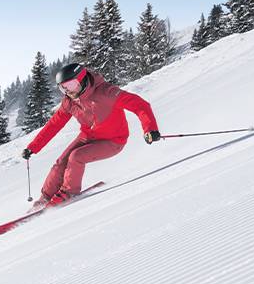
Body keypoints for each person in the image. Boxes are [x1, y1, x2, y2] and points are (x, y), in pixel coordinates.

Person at [21, 63, 161, 206]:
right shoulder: (70, 102)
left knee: (76, 157)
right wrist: (33, 147)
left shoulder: (106, 93)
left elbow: (139, 105)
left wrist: (150, 129)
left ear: (82, 80)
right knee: (61, 162)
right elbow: (54, 125)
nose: (68, 91)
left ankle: (68, 192)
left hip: (113, 141)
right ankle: (46, 197)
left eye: (71, 85)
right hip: (88, 136)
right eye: (63, 88)